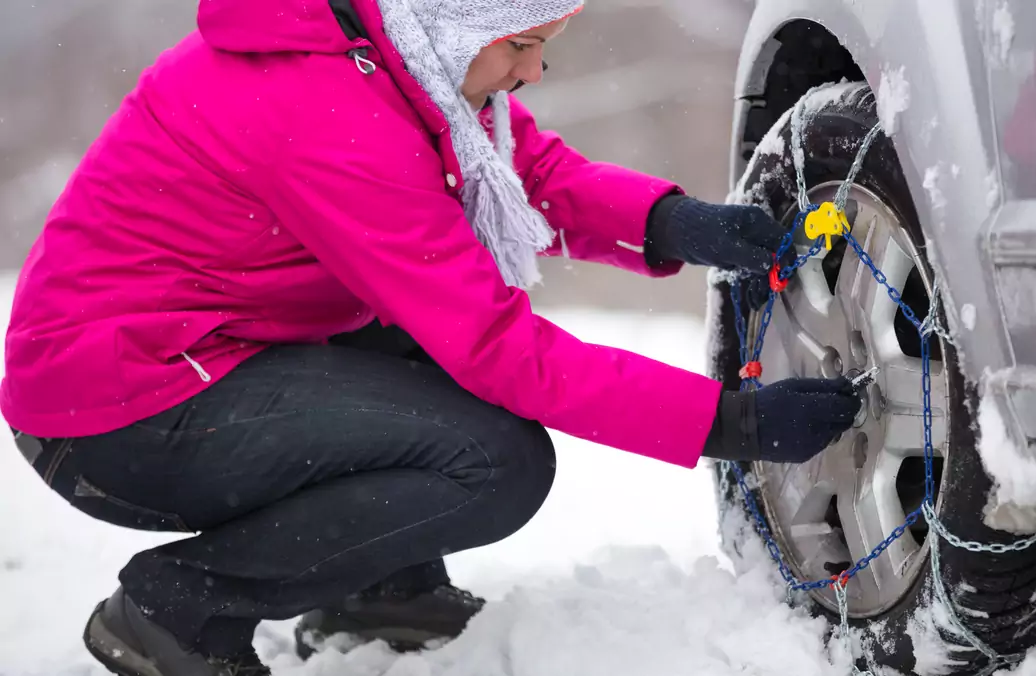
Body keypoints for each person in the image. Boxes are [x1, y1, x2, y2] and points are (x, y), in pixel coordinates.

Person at [1, 0, 862, 674]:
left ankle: (384, 590)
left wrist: (674, 224)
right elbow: (498, 349)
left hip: (201, 354)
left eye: (546, 43)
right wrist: (729, 424)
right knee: (493, 465)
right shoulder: (320, 108)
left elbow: (525, 174)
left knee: (423, 364)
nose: (533, 71)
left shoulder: (390, 62)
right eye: (522, 44)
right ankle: (175, 611)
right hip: (117, 409)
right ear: (457, 23)